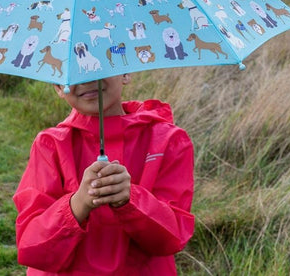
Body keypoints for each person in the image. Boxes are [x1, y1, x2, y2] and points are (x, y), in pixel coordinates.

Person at [13, 74, 195, 275]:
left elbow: (172, 237)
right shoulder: (49, 146)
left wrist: (131, 200)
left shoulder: (169, 141)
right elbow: (33, 247)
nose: (86, 80)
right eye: (75, 72)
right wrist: (78, 203)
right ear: (58, 86)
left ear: (126, 74)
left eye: (98, 69)